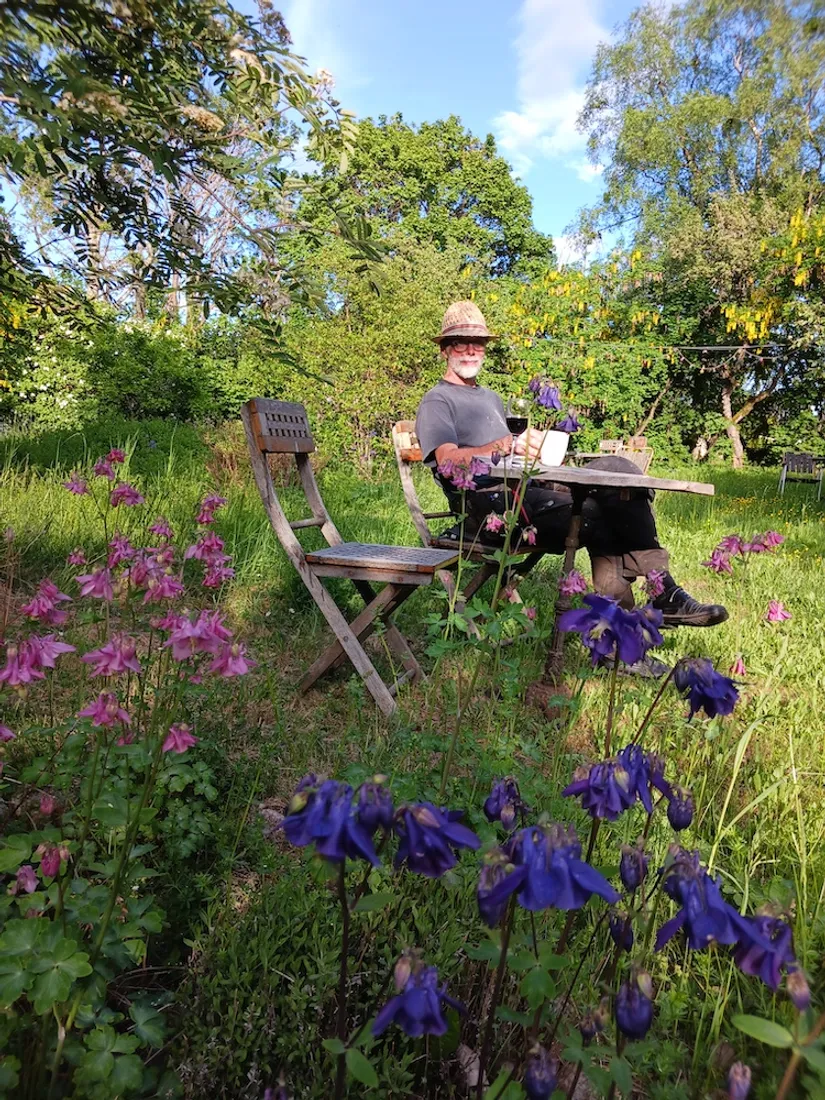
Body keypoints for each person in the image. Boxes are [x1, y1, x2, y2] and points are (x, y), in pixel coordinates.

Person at [415, 301, 728, 674]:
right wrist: (505, 446)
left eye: (477, 343)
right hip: (488, 508)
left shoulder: (491, 398)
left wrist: (537, 452)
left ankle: (662, 590)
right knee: (598, 516)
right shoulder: (437, 401)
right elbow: (449, 461)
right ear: (445, 350)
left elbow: (514, 453)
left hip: (527, 488)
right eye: (461, 342)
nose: (470, 350)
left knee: (621, 470)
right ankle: (625, 641)